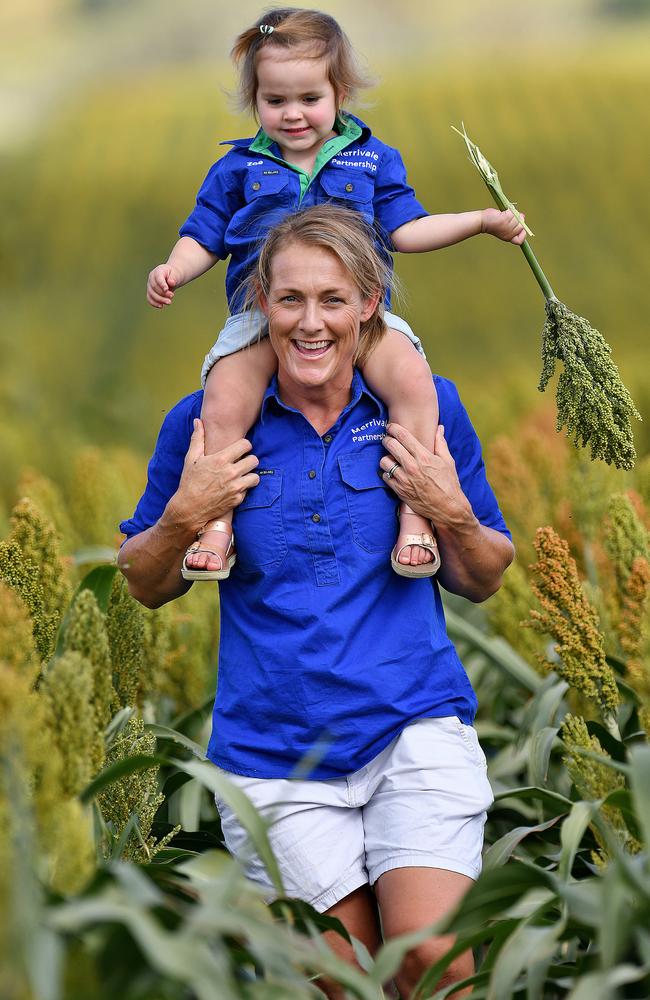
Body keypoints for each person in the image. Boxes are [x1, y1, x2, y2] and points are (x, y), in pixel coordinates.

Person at [123, 204, 514, 998]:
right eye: (291, 298)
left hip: (412, 726)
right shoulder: (206, 422)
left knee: (430, 962)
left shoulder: (421, 408)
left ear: (370, 304)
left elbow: (483, 573)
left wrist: (450, 508)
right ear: (260, 301)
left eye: (333, 300)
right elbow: (143, 580)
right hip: (274, 754)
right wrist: (185, 513)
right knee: (341, 980)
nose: (311, 323)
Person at [145, 6, 525, 584]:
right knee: (222, 399)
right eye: (275, 101)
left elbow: (405, 230)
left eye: (308, 99)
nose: (292, 114)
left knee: (414, 382)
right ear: (255, 101)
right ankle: (215, 526)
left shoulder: (372, 160)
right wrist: (173, 270)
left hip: (360, 322)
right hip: (259, 317)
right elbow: (203, 234)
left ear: (339, 92)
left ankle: (418, 516)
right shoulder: (237, 167)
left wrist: (478, 221)